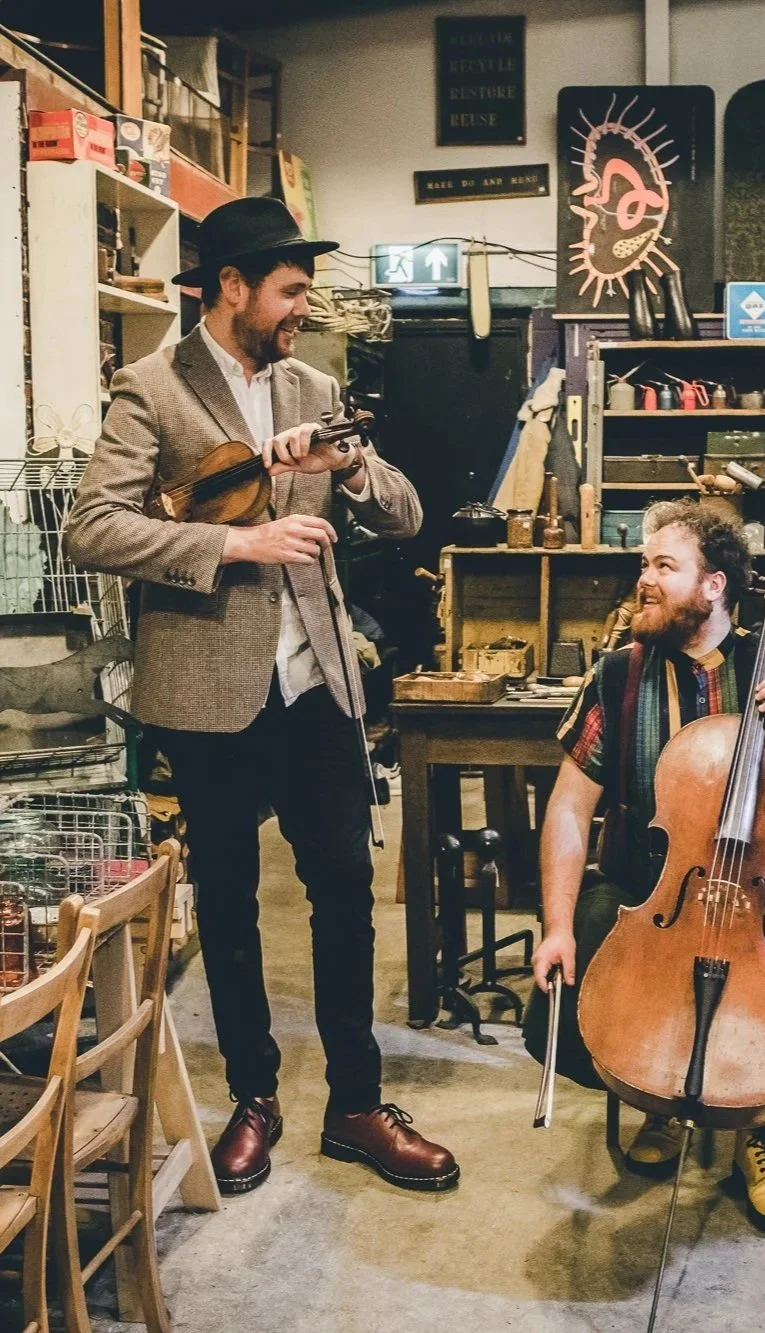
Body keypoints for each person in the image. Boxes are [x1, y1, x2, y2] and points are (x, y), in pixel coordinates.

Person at [65, 197, 459, 1196]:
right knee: (233, 905)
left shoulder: (311, 383)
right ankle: (253, 1095)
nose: (303, 305)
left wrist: (354, 464)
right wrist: (236, 542)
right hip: (207, 688)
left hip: (316, 682)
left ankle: (357, 1104)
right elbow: (94, 530)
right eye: (289, 289)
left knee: (343, 892)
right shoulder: (151, 389)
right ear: (232, 287)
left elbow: (407, 514)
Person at [522, 502, 765, 1236]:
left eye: (661, 565)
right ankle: (663, 1094)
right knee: (580, 965)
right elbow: (565, 810)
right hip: (649, 882)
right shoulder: (617, 674)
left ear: (713, 586)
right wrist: (555, 926)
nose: (642, 578)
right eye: (643, 564)